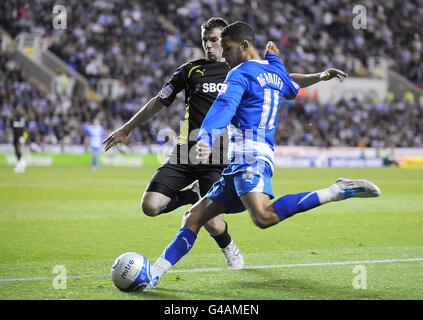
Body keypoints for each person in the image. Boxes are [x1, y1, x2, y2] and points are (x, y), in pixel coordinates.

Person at [146, 21, 381, 289]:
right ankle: (153, 274)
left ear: (244, 46)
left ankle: (337, 190)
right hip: (241, 159)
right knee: (194, 218)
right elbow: (292, 87)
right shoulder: (275, 71)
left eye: (228, 48)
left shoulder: (239, 74)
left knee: (264, 217)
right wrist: (316, 74)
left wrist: (206, 138)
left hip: (250, 155)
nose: (225, 54)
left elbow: (224, 105)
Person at [103, 18, 244, 269]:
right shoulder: (190, 70)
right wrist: (126, 129)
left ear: (226, 42)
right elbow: (159, 100)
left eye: (214, 40)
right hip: (185, 154)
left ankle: (228, 246)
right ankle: (190, 196)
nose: (209, 46)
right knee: (150, 206)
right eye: (205, 41)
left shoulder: (240, 72)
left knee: (212, 222)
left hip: (218, 159)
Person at [12, 106, 27, 173]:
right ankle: (20, 163)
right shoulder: (15, 116)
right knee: (16, 149)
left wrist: (22, 136)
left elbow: (23, 126)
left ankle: (21, 163)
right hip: (15, 136)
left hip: (20, 135)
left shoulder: (22, 117)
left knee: (18, 149)